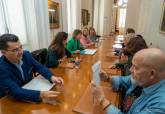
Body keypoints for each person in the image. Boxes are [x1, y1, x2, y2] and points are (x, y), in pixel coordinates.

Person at [92, 48, 165, 114]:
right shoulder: (144, 79)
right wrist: (107, 78)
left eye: (135, 67)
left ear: (151, 74)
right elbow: (124, 80)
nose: (130, 70)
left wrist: (103, 100)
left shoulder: (159, 105)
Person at [0, 34, 64, 103]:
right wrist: (41, 94)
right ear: (4, 52)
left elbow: (40, 68)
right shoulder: (1, 68)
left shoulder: (26, 55)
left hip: (29, 90)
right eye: (15, 50)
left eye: (21, 47)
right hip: (10, 101)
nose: (21, 52)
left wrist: (52, 77)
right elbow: (15, 91)